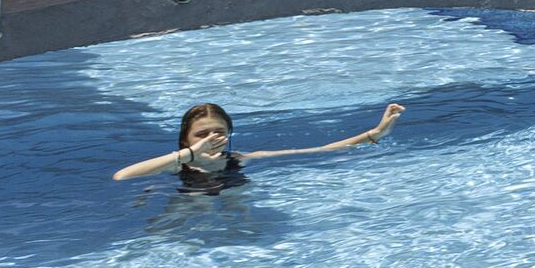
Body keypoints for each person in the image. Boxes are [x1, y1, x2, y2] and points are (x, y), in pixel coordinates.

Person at [112, 99, 405, 188]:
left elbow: (318, 151)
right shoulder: (176, 166)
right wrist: (189, 154)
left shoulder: (239, 158)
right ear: (185, 139)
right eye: (201, 134)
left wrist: (375, 134)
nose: (211, 138)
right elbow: (122, 176)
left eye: (218, 131)